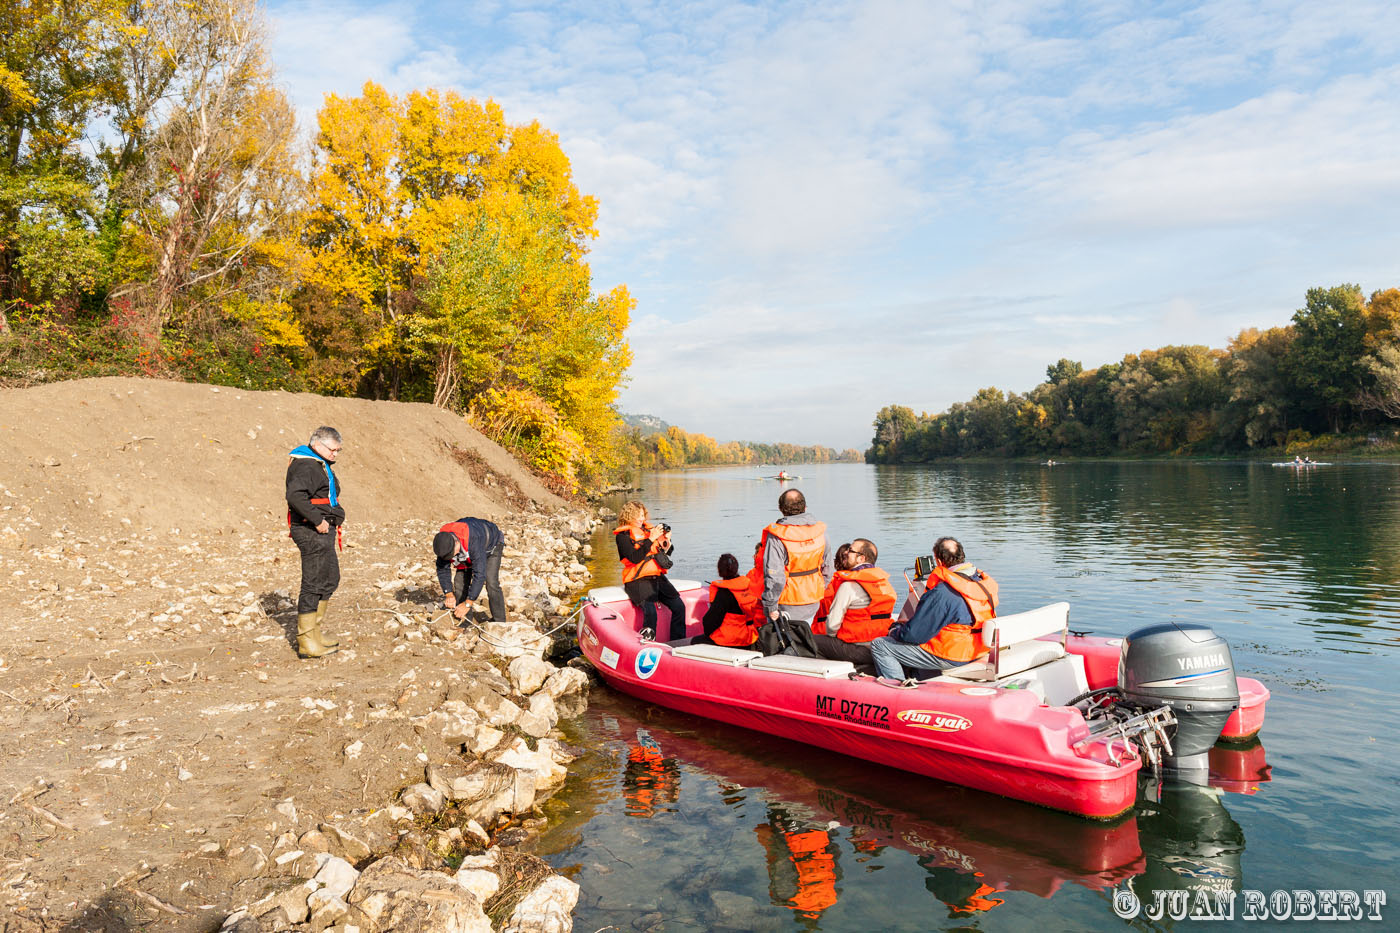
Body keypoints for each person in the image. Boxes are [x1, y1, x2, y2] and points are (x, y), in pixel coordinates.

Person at [869, 536, 998, 680]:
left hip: (952, 655)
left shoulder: (943, 592)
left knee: (880, 645)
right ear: (962, 556)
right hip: (977, 650)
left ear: (938, 561)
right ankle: (920, 677)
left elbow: (914, 635)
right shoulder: (981, 583)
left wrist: (894, 631)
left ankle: (899, 690)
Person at [285, 426, 345, 658]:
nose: (336, 454)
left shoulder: (317, 463)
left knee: (330, 578)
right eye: (333, 450)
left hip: (322, 531)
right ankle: (307, 641)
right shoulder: (306, 465)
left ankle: (315, 632)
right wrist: (318, 520)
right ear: (318, 445)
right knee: (313, 582)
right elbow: (295, 496)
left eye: (338, 450)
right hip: (310, 530)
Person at [810, 538, 896, 671]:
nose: (846, 553)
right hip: (879, 645)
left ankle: (837, 674)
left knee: (809, 641)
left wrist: (837, 637)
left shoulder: (848, 586)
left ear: (861, 559)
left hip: (858, 648)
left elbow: (832, 626)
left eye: (850, 551)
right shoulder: (884, 583)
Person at [614, 499, 687, 641]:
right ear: (629, 516)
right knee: (651, 612)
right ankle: (647, 644)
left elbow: (666, 552)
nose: (642, 519)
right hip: (637, 580)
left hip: (657, 578)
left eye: (643, 515)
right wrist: (650, 539)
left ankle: (678, 643)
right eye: (638, 516)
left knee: (679, 606)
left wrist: (667, 541)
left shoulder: (648, 531)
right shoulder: (622, 537)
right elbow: (635, 558)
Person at [760, 488, 833, 627]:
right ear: (805, 507)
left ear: (781, 509)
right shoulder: (820, 533)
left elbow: (775, 576)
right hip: (812, 600)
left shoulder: (777, 536)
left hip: (787, 602)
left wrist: (770, 606)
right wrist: (817, 587)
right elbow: (828, 568)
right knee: (804, 637)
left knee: (784, 644)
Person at [433, 516, 506, 624]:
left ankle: (499, 621)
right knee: (460, 582)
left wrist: (468, 603)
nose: (451, 558)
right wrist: (448, 594)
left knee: (491, 582)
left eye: (451, 555)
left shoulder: (474, 540)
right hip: (467, 548)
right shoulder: (444, 543)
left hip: (492, 545)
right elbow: (442, 569)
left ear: (456, 543)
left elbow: (479, 574)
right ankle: (467, 620)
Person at [694, 553, 761, 647]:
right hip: (751, 637)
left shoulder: (724, 593)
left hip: (732, 640)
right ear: (737, 568)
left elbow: (710, 623)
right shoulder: (751, 586)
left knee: (695, 641)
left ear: (719, 571)